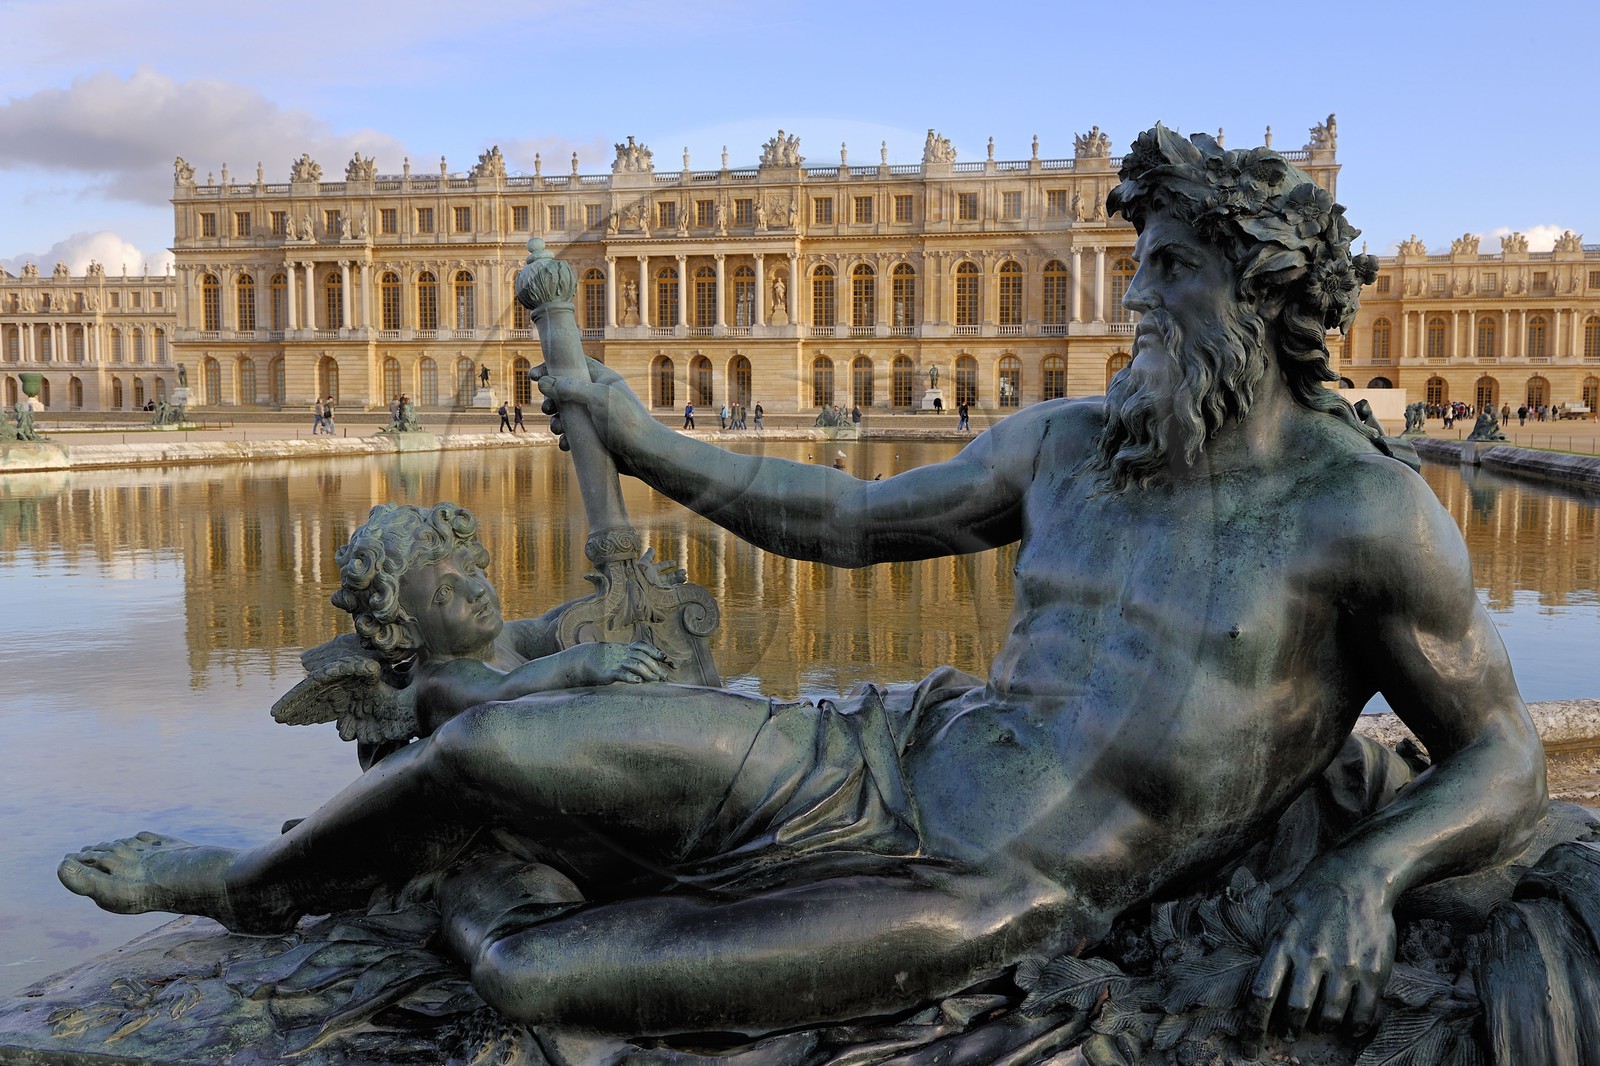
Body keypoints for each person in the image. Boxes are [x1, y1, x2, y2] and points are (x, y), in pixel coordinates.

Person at [59, 127, 1545, 1043]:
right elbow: (835, 509)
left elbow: (1506, 749)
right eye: (1137, 266)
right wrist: (632, 427)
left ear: (1267, 295)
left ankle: (505, 887)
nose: (1134, 302)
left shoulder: (1368, 513)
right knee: (484, 742)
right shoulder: (1069, 444)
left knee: (538, 978)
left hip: (992, 890)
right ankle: (250, 885)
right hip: (879, 753)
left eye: (1169, 273)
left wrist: (1365, 868)